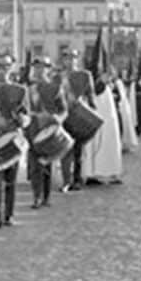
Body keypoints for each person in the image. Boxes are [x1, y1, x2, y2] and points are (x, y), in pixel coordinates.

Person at [0, 54, 29, 229]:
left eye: (6, 66)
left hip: (12, 138)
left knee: (10, 180)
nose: (2, 70)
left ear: (11, 68)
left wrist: (23, 119)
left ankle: (8, 214)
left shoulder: (20, 91)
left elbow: (26, 115)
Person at [27, 57, 67, 208]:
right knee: (35, 166)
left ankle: (46, 196)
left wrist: (58, 119)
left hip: (49, 130)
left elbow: (64, 110)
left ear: (48, 69)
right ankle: (37, 197)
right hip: (33, 129)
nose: (38, 70)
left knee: (47, 165)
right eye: (36, 67)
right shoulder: (29, 89)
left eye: (42, 67)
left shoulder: (55, 88)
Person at [58, 49, 96, 191]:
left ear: (77, 59)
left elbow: (91, 96)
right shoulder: (58, 76)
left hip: (79, 115)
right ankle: (66, 180)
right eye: (67, 58)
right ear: (63, 60)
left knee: (78, 150)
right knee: (65, 149)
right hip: (63, 116)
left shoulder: (85, 75)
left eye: (73, 58)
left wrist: (92, 108)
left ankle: (77, 178)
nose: (70, 61)